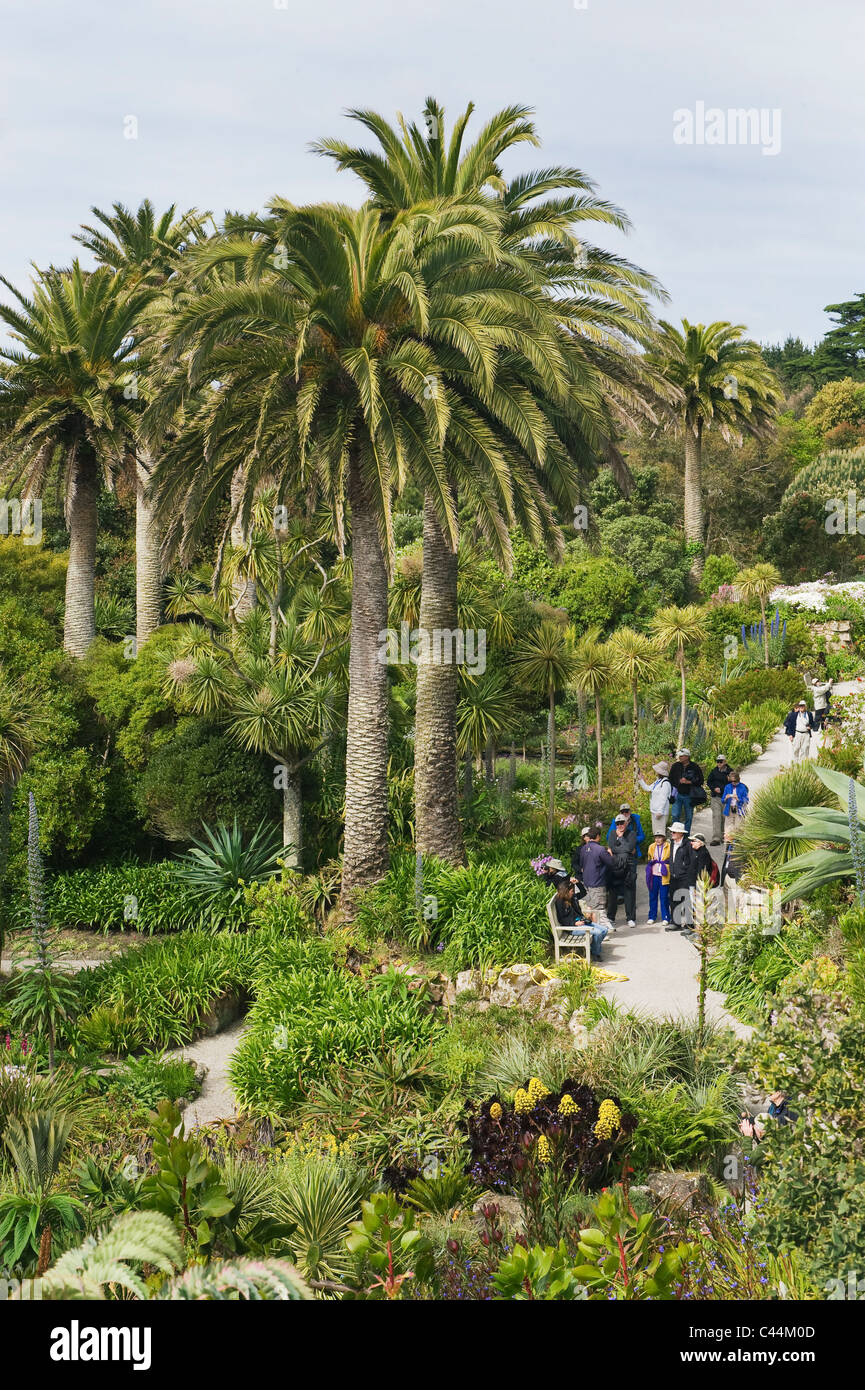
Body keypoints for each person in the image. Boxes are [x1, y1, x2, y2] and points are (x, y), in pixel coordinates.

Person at [552, 874, 608, 961]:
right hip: (573, 927)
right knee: (598, 933)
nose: (573, 893)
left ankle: (593, 949)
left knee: (604, 930)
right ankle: (595, 953)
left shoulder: (572, 898)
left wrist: (578, 883)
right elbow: (562, 919)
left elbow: (583, 893)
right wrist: (574, 923)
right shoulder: (560, 902)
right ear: (566, 891)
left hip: (581, 922)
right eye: (572, 891)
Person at [605, 813, 638, 927]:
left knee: (629, 893)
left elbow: (629, 848)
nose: (620, 825)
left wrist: (620, 839)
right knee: (613, 894)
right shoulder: (612, 833)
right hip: (615, 868)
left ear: (626, 823)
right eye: (617, 823)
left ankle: (630, 918)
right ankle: (611, 917)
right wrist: (621, 848)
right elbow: (611, 847)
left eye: (622, 823)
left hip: (628, 868)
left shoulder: (632, 833)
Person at [578, 829, 614, 927]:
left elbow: (581, 865)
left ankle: (597, 928)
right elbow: (611, 863)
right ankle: (605, 929)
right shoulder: (601, 849)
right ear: (598, 836)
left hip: (587, 882)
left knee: (592, 906)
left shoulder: (583, 848)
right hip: (598, 882)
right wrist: (610, 854)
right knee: (599, 907)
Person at [665, 821, 694, 930]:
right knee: (673, 899)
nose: (672, 833)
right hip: (673, 876)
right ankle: (676, 922)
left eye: (674, 832)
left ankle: (688, 925)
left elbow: (690, 861)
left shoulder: (687, 844)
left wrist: (686, 872)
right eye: (672, 831)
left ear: (681, 833)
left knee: (685, 899)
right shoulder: (672, 843)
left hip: (684, 876)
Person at [669, 748, 705, 834]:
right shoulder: (675, 766)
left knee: (688, 817)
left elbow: (701, 780)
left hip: (689, 795)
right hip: (677, 794)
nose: (680, 758)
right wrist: (677, 783)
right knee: (675, 815)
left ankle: (686, 835)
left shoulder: (695, 767)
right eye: (679, 756)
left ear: (687, 756)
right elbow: (670, 779)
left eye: (682, 756)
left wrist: (689, 782)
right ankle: (675, 834)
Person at [639, 762, 673, 836]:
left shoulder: (665, 783)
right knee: (655, 833)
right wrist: (641, 780)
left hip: (660, 813)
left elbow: (663, 799)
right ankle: (656, 847)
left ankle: (662, 847)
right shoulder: (658, 781)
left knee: (660, 834)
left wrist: (660, 812)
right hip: (654, 811)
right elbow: (648, 788)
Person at [645, 831, 671, 924]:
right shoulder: (652, 846)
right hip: (654, 874)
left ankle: (666, 917)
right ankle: (652, 916)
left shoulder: (668, 846)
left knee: (664, 897)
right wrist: (651, 861)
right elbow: (649, 858)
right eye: (656, 837)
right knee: (652, 896)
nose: (657, 839)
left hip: (664, 875)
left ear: (663, 838)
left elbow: (669, 860)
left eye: (660, 837)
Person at [706, 753, 730, 845]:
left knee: (724, 817)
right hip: (715, 797)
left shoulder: (730, 771)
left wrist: (723, 789)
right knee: (716, 816)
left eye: (721, 761)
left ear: (725, 762)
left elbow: (733, 783)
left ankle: (725, 836)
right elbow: (709, 781)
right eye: (717, 761)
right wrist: (714, 788)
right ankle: (716, 838)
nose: (719, 763)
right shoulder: (714, 771)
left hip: (726, 798)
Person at [784, 699, 815, 763]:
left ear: (805, 706)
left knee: (805, 750)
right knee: (796, 749)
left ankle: (803, 765)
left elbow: (813, 723)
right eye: (800, 706)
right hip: (797, 734)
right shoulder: (794, 715)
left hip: (806, 734)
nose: (801, 707)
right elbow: (790, 724)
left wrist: (810, 726)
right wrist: (790, 734)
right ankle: (795, 764)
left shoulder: (809, 714)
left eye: (803, 706)